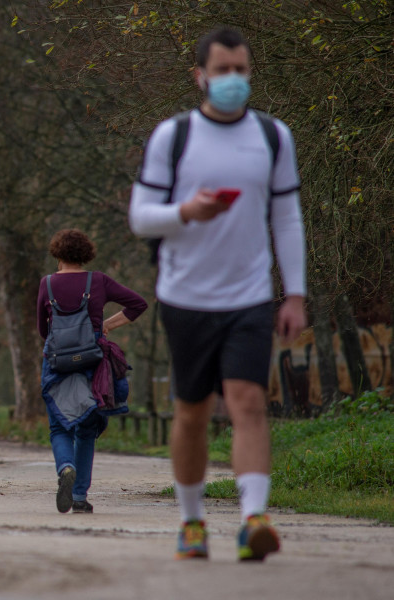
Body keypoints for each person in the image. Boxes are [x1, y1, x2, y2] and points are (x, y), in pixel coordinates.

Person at [128, 27, 307, 561]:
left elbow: (286, 217)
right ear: (200, 75)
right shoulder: (173, 137)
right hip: (185, 296)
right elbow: (141, 217)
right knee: (192, 413)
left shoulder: (274, 136)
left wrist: (293, 294)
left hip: (249, 295)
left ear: (251, 73)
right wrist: (186, 212)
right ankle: (192, 522)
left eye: (241, 70)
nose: (232, 79)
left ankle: (254, 518)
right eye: (222, 70)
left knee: (249, 401)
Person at [37, 229, 148, 514]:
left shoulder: (46, 284)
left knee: (59, 426)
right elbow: (138, 304)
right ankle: (78, 497)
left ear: (58, 254)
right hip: (92, 362)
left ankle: (65, 467)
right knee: (86, 429)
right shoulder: (97, 281)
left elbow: (42, 329)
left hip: (57, 363)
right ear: (86, 254)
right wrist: (107, 325)